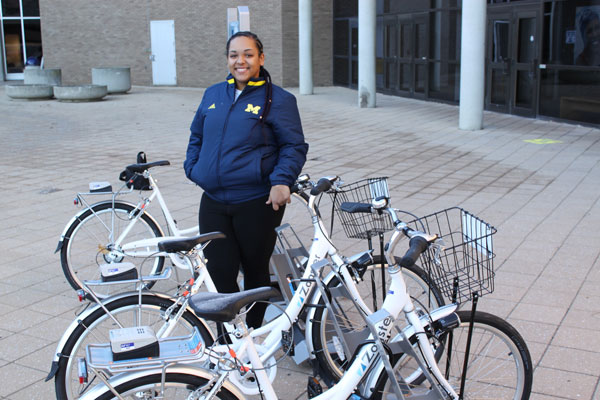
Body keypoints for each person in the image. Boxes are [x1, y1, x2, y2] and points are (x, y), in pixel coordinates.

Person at [184, 31, 308, 329]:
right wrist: (194, 168)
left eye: (248, 54)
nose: (241, 61)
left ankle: (252, 330)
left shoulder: (279, 100)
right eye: (234, 55)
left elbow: (294, 146)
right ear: (227, 59)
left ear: (261, 58)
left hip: (256, 201)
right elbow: (197, 135)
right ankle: (229, 335)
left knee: (255, 270)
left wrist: (282, 180)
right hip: (213, 200)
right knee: (219, 271)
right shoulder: (213, 94)